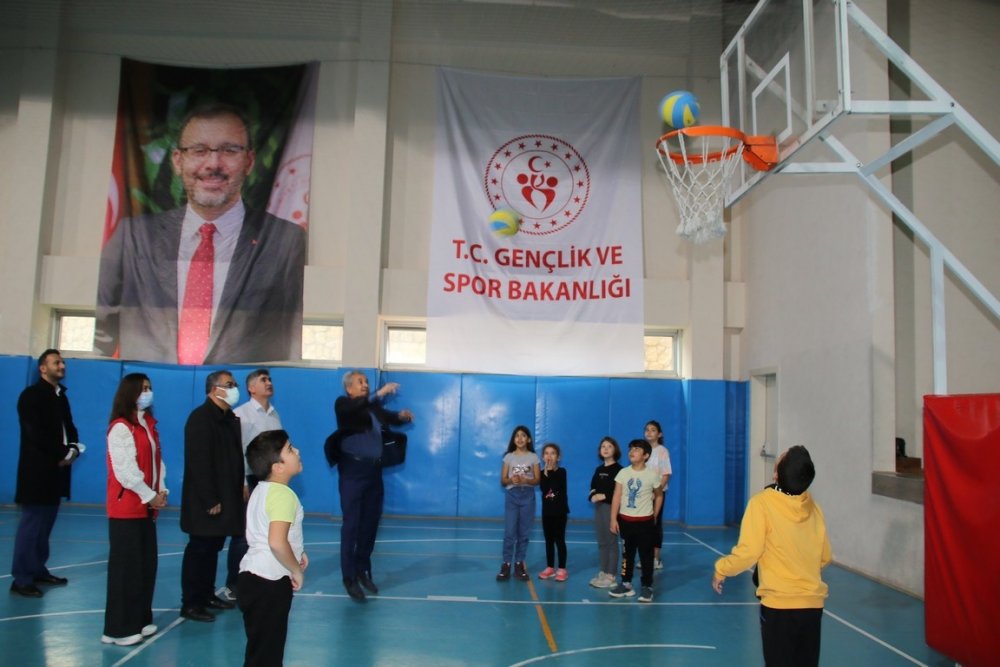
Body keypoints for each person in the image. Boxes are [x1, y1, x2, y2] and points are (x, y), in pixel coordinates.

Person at [95, 103, 306, 364]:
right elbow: (99, 336)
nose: (213, 164)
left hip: (238, 388)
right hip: (150, 386)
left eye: (229, 150)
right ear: (178, 160)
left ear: (249, 161)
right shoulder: (132, 237)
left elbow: (294, 338)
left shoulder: (285, 241)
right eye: (199, 151)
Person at [713, 446, 832, 667]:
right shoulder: (814, 508)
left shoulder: (761, 503)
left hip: (779, 606)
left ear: (777, 473)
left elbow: (749, 552)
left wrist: (722, 569)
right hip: (812, 606)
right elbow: (824, 556)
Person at [334, 371, 414, 602]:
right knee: (351, 525)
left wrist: (401, 416)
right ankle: (349, 577)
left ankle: (363, 569)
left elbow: (388, 417)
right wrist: (380, 393)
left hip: (373, 473)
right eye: (360, 382)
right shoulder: (343, 405)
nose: (365, 385)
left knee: (370, 524)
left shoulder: (372, 408)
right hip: (352, 472)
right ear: (349, 388)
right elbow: (356, 408)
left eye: (367, 382)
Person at [102, 373, 169, 646]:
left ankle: (139, 620)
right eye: (142, 389)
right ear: (129, 393)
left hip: (147, 509)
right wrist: (149, 495)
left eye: (150, 388)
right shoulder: (120, 427)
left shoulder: (148, 425)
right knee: (125, 569)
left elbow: (157, 462)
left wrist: (161, 489)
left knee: (145, 565)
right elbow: (126, 471)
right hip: (126, 508)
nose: (147, 393)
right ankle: (117, 629)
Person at [10, 349, 82, 598]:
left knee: (45, 526)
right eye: (56, 362)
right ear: (43, 368)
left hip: (56, 472)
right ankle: (21, 579)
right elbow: (35, 433)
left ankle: (37, 570)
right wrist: (61, 453)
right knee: (31, 526)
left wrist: (74, 449)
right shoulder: (31, 396)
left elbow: (69, 427)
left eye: (62, 362)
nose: (62, 366)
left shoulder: (60, 397)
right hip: (36, 472)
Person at [179, 369, 245, 622]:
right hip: (206, 501)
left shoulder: (229, 419)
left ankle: (206, 594)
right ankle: (191, 602)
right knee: (199, 549)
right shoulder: (200, 418)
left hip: (226, 496)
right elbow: (199, 462)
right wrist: (210, 499)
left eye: (235, 384)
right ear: (214, 389)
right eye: (229, 384)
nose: (234, 388)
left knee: (213, 548)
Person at [239, 429, 307, 667]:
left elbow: (268, 532)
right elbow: (277, 542)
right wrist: (296, 570)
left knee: (260, 652)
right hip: (270, 583)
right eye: (290, 449)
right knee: (267, 656)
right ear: (278, 467)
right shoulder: (283, 495)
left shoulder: (262, 489)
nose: (297, 451)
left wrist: (298, 553)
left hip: (252, 578)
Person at [222, 368, 283, 602]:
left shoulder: (275, 416)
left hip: (270, 482)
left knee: (265, 533)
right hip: (249, 480)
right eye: (263, 380)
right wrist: (241, 483)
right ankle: (234, 584)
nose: (269, 383)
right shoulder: (241, 415)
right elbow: (235, 453)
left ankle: (258, 579)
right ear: (251, 388)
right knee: (243, 535)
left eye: (270, 379)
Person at [609, 439, 662, 603]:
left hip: (645, 523)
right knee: (627, 555)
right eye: (631, 449)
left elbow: (659, 495)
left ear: (645, 455)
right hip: (626, 522)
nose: (632, 451)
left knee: (646, 556)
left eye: (637, 449)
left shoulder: (652, 475)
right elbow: (616, 496)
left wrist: (654, 515)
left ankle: (647, 586)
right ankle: (626, 583)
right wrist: (613, 519)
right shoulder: (623, 473)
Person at [496, 425, 540, 582]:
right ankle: (506, 564)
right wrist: (511, 480)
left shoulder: (533, 457)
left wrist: (526, 480)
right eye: (517, 436)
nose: (520, 438)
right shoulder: (508, 457)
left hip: (527, 496)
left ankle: (519, 563)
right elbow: (503, 480)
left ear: (528, 439)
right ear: (513, 440)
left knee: (524, 533)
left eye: (523, 436)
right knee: (510, 532)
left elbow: (537, 480)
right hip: (512, 496)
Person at [587, 436, 622, 589]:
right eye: (603, 446)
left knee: (611, 541)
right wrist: (593, 496)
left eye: (609, 446)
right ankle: (603, 571)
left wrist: (604, 496)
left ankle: (611, 575)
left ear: (615, 450)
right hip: (599, 508)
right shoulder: (599, 469)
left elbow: (619, 492)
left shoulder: (619, 470)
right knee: (602, 541)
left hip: (611, 508)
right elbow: (593, 487)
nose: (606, 449)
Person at [537, 443, 570, 582]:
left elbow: (555, 488)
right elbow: (545, 489)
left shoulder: (562, 472)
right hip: (547, 513)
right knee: (548, 540)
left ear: (558, 457)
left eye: (553, 453)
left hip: (560, 512)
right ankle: (550, 567)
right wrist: (545, 473)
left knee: (559, 539)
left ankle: (562, 568)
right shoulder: (541, 473)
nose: (549, 456)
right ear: (542, 457)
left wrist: (549, 472)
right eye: (546, 453)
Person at [644, 420, 672, 570]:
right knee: (642, 526)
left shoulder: (663, 451)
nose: (649, 432)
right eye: (647, 429)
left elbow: (666, 474)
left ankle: (655, 558)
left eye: (653, 430)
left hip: (657, 494)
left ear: (659, 434)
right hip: (643, 495)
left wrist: (657, 492)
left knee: (655, 524)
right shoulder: (642, 450)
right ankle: (645, 557)